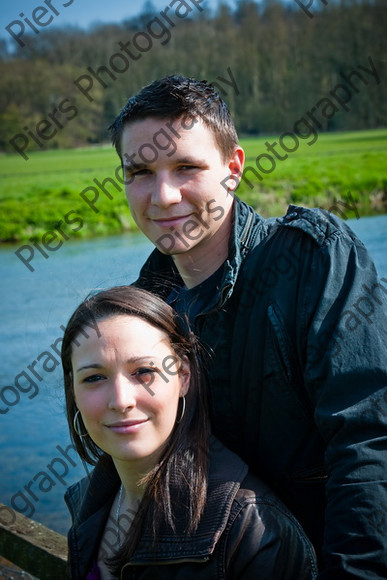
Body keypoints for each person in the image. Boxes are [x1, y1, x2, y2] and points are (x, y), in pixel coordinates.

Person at [108, 76, 387, 578]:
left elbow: (367, 438)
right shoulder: (143, 310)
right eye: (141, 172)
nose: (164, 195)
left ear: (233, 168)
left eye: (187, 167)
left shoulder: (312, 258)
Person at [62, 285, 317, 579]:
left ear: (183, 376)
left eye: (144, 371)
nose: (121, 401)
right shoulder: (88, 501)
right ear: (73, 391)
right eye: (94, 377)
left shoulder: (252, 531)